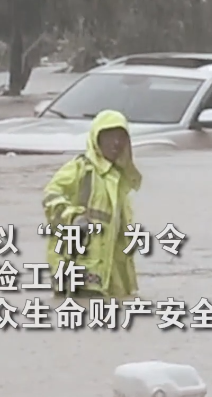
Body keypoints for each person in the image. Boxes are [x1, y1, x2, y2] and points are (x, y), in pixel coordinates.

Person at [41, 109, 142, 298]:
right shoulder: (80, 168)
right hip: (78, 271)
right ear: (97, 138)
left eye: (120, 137)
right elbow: (51, 195)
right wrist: (73, 217)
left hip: (107, 278)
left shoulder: (120, 180)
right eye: (109, 137)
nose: (116, 143)